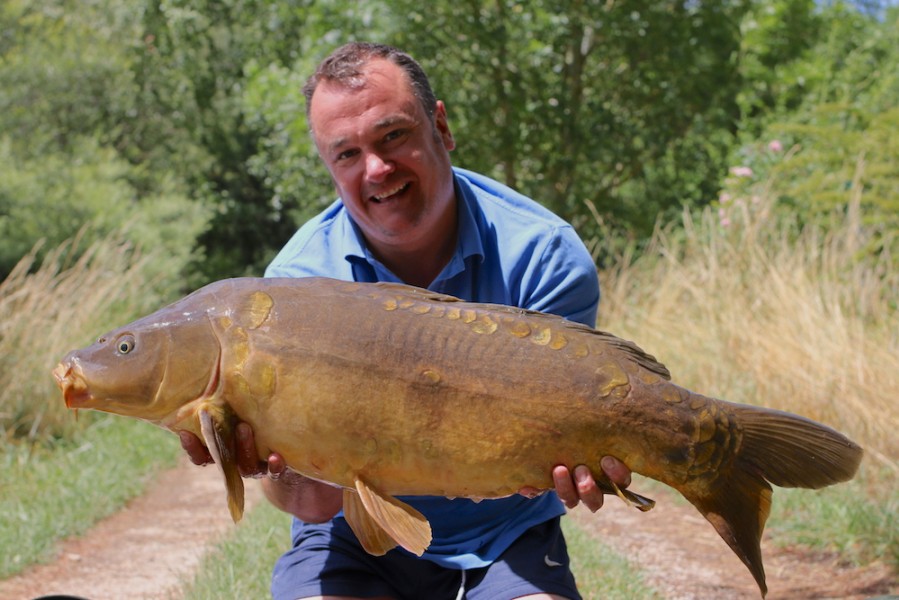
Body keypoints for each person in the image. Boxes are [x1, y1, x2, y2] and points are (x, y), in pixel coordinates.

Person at [181, 41, 632, 600]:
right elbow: (314, 505)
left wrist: (584, 458)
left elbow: (567, 438)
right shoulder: (291, 293)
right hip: (349, 535)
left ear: (440, 127)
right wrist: (275, 461)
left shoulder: (543, 255)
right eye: (346, 154)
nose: (376, 168)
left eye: (393, 135)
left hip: (504, 533)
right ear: (328, 166)